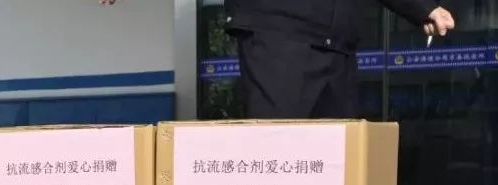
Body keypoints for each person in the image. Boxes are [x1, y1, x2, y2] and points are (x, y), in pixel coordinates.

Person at [100, 0, 456, 119]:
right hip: (281, 37)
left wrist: (421, 8)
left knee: (334, 172)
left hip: (338, 47)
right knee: (281, 162)